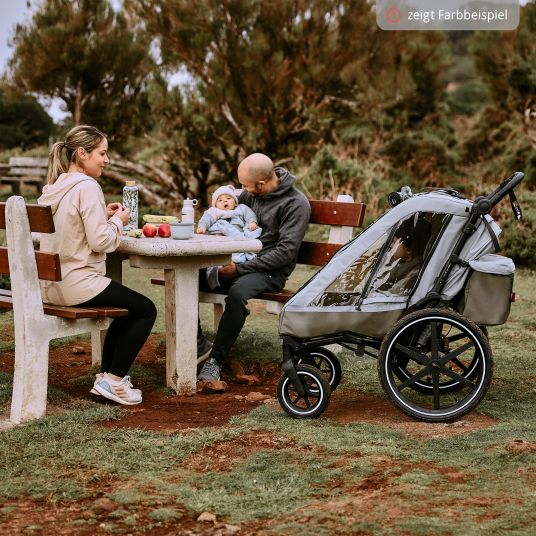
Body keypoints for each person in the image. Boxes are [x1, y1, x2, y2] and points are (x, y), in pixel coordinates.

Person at [38, 125, 157, 405]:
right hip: (77, 283)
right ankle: (114, 381)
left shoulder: (55, 187)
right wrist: (118, 222)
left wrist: (101, 214)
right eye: (102, 153)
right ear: (82, 153)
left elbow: (67, 226)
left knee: (126, 310)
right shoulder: (88, 186)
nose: (106, 160)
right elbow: (101, 241)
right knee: (146, 310)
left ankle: (107, 377)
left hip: (50, 285)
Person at [197, 153, 311, 381]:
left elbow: (285, 252)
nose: (242, 190)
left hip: (270, 271)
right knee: (189, 277)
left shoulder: (295, 204)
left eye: (245, 186)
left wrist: (239, 269)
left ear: (261, 183)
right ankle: (199, 342)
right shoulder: (251, 195)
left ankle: (215, 361)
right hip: (238, 260)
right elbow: (228, 215)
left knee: (237, 293)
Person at [197, 184, 262, 288]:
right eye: (220, 200)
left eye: (228, 198)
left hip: (237, 237)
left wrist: (252, 222)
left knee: (239, 249)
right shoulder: (214, 211)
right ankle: (218, 266)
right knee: (217, 249)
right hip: (221, 236)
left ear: (235, 202)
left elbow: (250, 215)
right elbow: (207, 218)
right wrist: (203, 227)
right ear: (216, 205)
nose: (225, 201)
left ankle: (235, 260)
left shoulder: (241, 208)